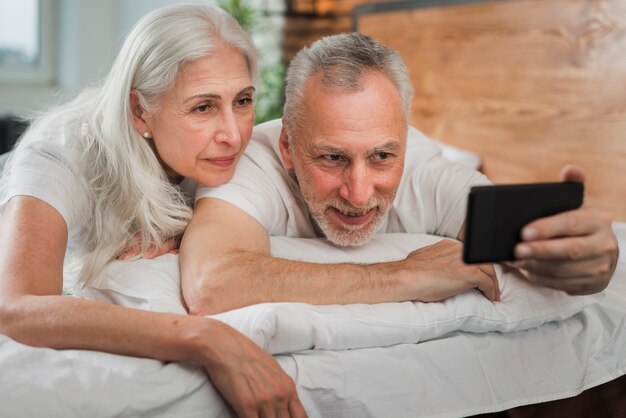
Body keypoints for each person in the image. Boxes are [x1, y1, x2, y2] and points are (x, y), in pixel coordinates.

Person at [0, 5, 306, 418]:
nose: (234, 135)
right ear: (139, 111)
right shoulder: (60, 153)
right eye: (203, 107)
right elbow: (17, 306)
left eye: (243, 100)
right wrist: (203, 338)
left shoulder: (228, 155)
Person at [180, 32, 619, 316]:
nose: (358, 193)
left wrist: (596, 258)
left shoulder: (427, 170)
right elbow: (210, 282)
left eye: (383, 157)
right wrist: (400, 275)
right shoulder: (254, 160)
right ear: (289, 147)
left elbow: (526, 239)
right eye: (332, 158)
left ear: (406, 144)